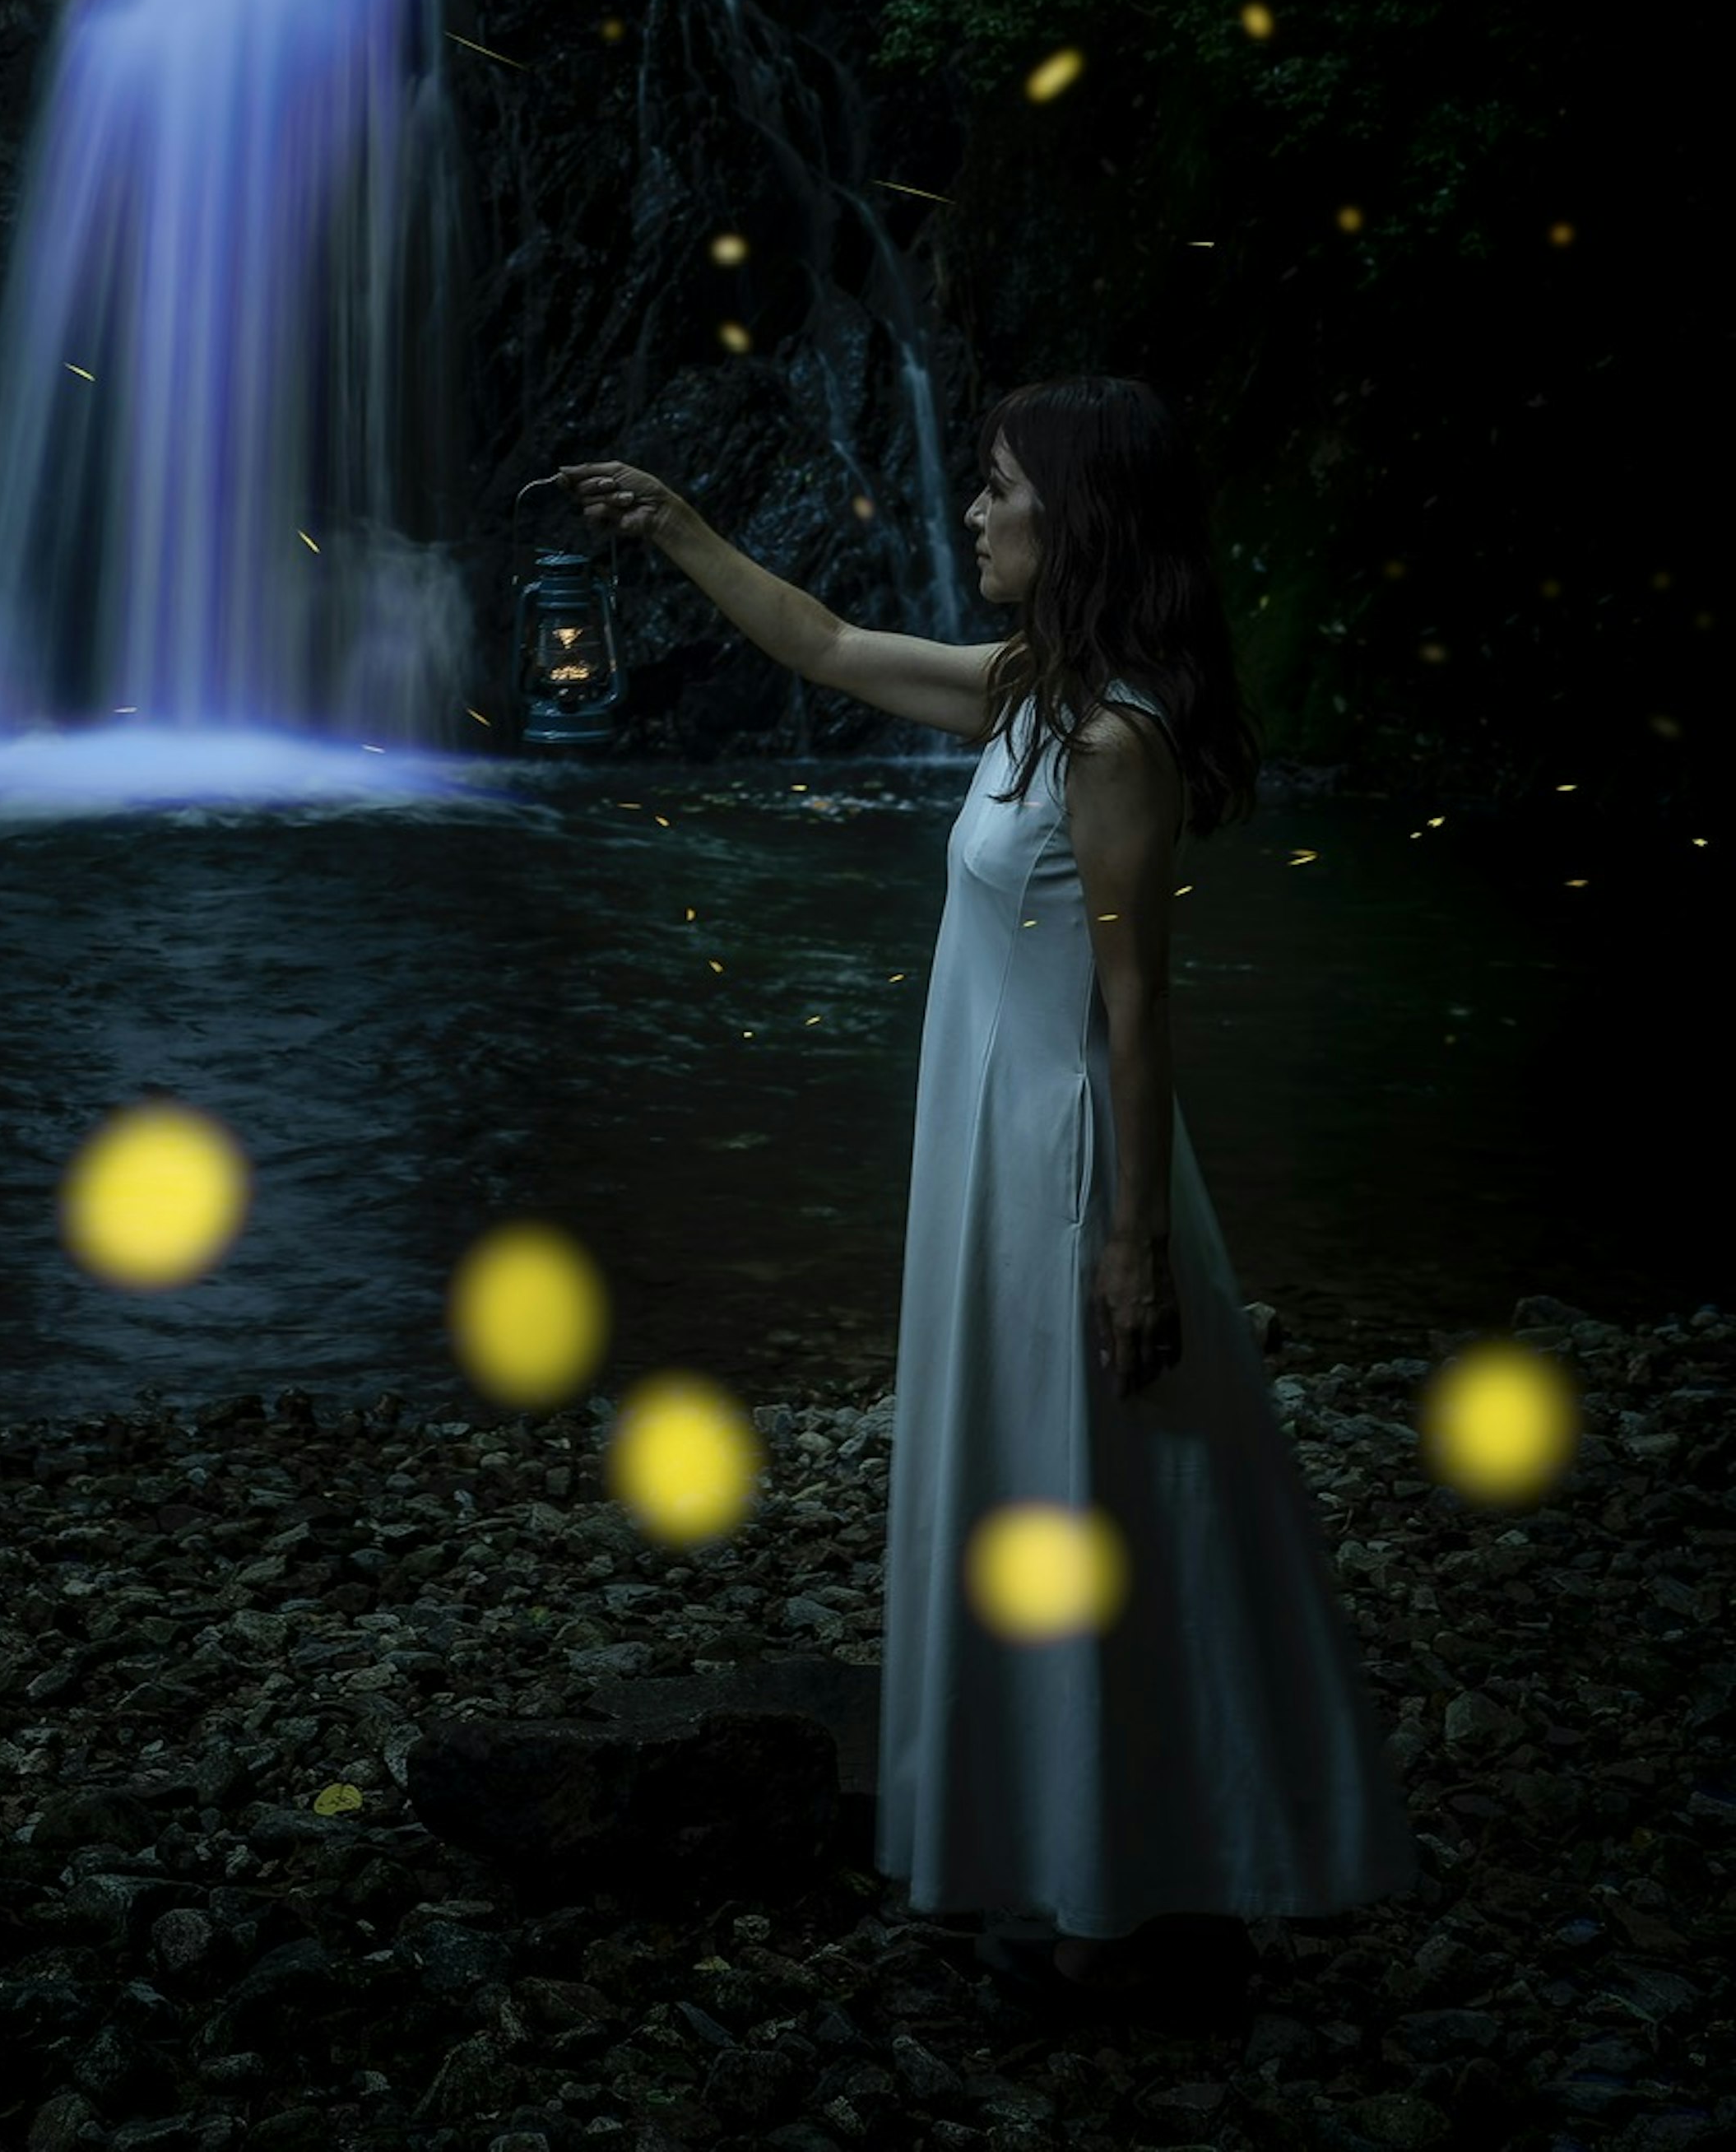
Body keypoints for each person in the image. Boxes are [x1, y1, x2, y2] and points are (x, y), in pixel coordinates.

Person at [557, 377, 1414, 2014]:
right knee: (1047, 1500)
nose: (971, 514)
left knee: (1089, 1507)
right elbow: (819, 644)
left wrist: (1133, 1244)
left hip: (1062, 1166)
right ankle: (1071, 1850)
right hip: (994, 1146)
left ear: (1072, 522)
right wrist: (674, 528)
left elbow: (1139, 1004)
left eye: (1000, 489)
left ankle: (1116, 1910)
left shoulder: (1111, 740)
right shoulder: (1037, 691)